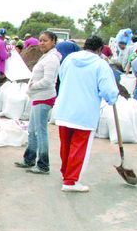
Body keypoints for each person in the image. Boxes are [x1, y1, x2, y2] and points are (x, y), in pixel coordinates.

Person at [52, 35, 119, 192]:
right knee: (79, 147)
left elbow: (62, 77)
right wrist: (112, 98)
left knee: (66, 145)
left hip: (64, 110)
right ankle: (71, 181)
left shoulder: (69, 59)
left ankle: (66, 174)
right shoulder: (101, 65)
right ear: (100, 49)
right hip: (84, 113)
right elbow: (108, 90)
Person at [14, 31, 62, 174]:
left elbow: (48, 80)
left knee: (40, 132)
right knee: (32, 130)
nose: (42, 43)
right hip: (38, 97)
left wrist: (32, 86)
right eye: (40, 40)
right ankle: (29, 159)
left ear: (53, 41)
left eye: (45, 40)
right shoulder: (46, 56)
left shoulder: (52, 59)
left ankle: (43, 165)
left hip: (44, 98)